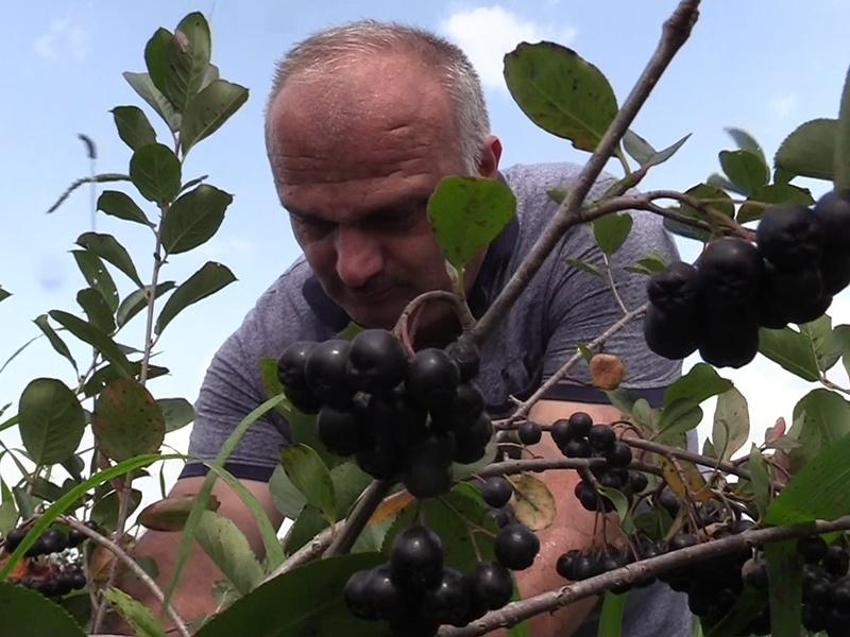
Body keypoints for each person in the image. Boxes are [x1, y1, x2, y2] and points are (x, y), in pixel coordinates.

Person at [118, 20, 691, 636]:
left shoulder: (592, 243)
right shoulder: (274, 354)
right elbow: (191, 567)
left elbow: (565, 524)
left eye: (394, 215)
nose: (353, 267)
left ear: (484, 169)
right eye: (313, 223)